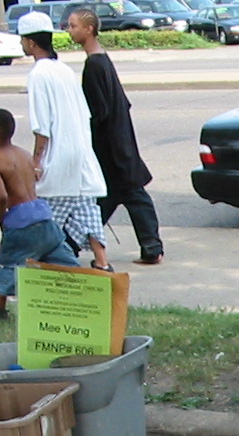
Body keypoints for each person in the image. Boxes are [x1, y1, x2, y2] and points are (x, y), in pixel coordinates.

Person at [67, 7, 165, 266]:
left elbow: (98, 112)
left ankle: (151, 248)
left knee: (127, 194)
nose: (69, 30)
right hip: (117, 142)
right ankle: (69, 246)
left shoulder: (94, 65)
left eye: (73, 26)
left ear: (89, 29)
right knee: (107, 198)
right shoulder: (101, 60)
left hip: (111, 147)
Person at [17, 11, 113, 271]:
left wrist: (36, 161)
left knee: (47, 218)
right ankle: (102, 263)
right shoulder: (65, 70)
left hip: (58, 157)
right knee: (86, 210)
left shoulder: (38, 74)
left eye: (23, 40)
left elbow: (41, 125)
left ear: (31, 43)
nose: (22, 44)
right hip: (81, 152)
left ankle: (41, 268)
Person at [0, 108, 79, 322]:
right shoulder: (24, 154)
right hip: (43, 216)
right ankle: (81, 295)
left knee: (7, 262)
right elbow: (23, 183)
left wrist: (2, 218)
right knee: (60, 259)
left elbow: (3, 195)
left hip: (21, 223)